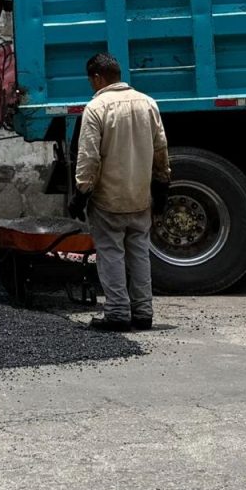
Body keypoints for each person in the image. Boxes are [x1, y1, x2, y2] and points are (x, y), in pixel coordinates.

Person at [68, 53, 170, 332]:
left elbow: (88, 157)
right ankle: (143, 313)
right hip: (140, 197)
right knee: (139, 253)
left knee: (111, 253)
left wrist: (81, 194)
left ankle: (117, 313)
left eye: (91, 80)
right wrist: (162, 186)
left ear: (97, 78)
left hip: (108, 200)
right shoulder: (148, 103)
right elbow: (160, 150)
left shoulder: (95, 108)